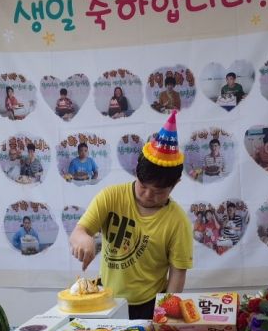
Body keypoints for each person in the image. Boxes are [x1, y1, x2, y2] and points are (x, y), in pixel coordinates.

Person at [69, 111, 193, 319]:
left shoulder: (177, 221)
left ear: (175, 185)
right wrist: (84, 240)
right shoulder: (111, 197)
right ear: (136, 173)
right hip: (107, 299)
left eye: (159, 192)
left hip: (149, 304)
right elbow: (79, 232)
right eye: (143, 186)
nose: (148, 195)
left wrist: (164, 315)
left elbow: (178, 272)